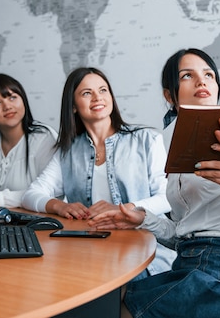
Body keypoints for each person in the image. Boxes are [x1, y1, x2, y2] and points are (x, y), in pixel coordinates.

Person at [87, 48, 220, 318]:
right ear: (169, 95)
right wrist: (142, 219)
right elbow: (185, 233)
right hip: (189, 263)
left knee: (114, 309)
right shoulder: (168, 140)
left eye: (208, 75)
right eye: (187, 76)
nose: (201, 81)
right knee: (109, 297)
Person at [22, 67, 175, 276]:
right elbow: (30, 195)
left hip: (145, 249)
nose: (97, 97)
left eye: (103, 90)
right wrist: (59, 206)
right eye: (87, 93)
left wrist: (126, 209)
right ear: (73, 106)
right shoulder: (67, 152)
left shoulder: (147, 139)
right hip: (91, 251)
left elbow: (167, 198)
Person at [0, 74, 57, 209]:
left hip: (36, 222)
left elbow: (52, 191)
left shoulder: (43, 137)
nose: (7, 106)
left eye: (12, 98)